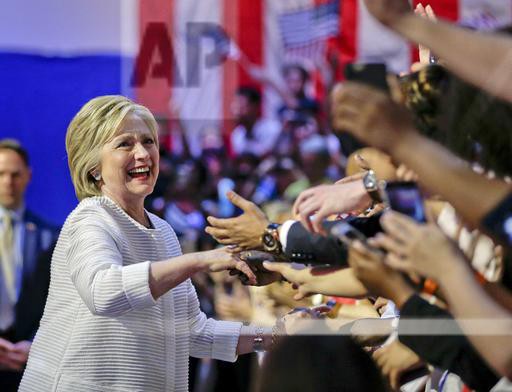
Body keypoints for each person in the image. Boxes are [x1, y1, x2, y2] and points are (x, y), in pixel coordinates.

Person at [19, 96, 273, 392]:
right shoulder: (90, 219)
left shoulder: (163, 231)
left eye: (149, 142)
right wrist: (200, 260)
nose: (142, 154)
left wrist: (275, 336)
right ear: (93, 167)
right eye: (125, 144)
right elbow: (104, 293)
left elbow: (194, 332)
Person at [0, 139, 59, 392]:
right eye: (1, 174)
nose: (8, 182)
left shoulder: (49, 236)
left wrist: (36, 343)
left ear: (28, 176)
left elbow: (58, 301)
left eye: (15, 174)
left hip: (32, 362)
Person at [230, 86, 281, 158]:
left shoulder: (273, 129)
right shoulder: (237, 135)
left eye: (241, 107)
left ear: (255, 107)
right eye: (235, 107)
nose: (236, 113)